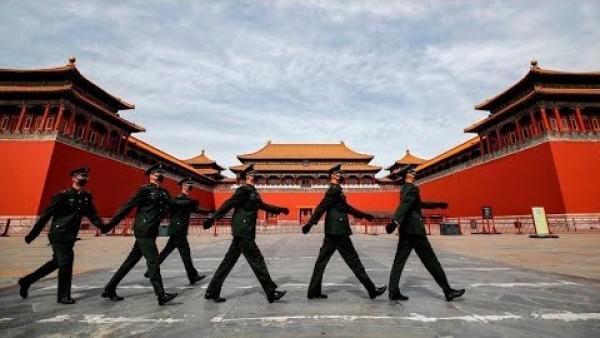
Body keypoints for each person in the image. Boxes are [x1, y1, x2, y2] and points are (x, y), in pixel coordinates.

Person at [202, 164, 288, 303]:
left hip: (242, 232)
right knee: (257, 261)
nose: (253, 175)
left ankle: (211, 291)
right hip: (244, 231)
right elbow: (229, 203)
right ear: (246, 176)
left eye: (254, 173)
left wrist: (279, 209)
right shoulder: (243, 190)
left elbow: (263, 206)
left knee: (227, 263)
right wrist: (213, 218)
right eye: (250, 173)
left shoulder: (253, 192)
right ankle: (270, 292)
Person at [19, 166, 106, 304]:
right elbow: (46, 215)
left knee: (57, 263)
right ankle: (63, 296)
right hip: (59, 234)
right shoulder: (63, 196)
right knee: (66, 263)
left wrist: (104, 227)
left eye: (86, 176)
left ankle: (26, 281)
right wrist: (33, 234)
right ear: (73, 178)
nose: (84, 179)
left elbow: (92, 215)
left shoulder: (86, 197)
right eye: (81, 176)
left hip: (70, 236)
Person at [302, 164, 387, 300]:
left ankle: (313, 291)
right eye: (338, 172)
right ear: (333, 175)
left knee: (321, 261)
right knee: (354, 261)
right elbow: (321, 207)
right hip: (339, 231)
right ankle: (372, 290)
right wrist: (310, 223)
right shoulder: (333, 191)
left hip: (332, 232)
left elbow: (346, 207)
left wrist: (363, 214)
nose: (340, 174)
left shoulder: (336, 190)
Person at [101, 164, 177, 305]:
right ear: (150, 175)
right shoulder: (144, 190)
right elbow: (127, 206)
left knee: (130, 261)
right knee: (153, 261)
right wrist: (109, 226)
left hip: (152, 230)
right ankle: (161, 295)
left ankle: (109, 288)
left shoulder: (164, 192)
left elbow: (172, 206)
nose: (159, 175)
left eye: (161, 172)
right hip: (144, 230)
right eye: (156, 173)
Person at [386, 168, 465, 302]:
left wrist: (437, 205)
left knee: (399, 261)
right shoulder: (412, 188)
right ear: (406, 175)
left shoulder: (405, 189)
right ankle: (447, 290)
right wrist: (394, 221)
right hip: (416, 231)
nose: (414, 174)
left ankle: (393, 291)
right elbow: (405, 205)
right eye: (412, 173)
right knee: (431, 261)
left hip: (406, 230)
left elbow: (416, 204)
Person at [144, 176, 207, 285]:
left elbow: (195, 210)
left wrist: (210, 212)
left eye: (189, 185)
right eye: (186, 185)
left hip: (178, 230)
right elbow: (169, 209)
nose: (188, 186)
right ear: (182, 186)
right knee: (185, 253)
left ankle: (150, 271)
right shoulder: (178, 199)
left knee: (166, 252)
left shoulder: (187, 200)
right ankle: (193, 276)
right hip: (178, 230)